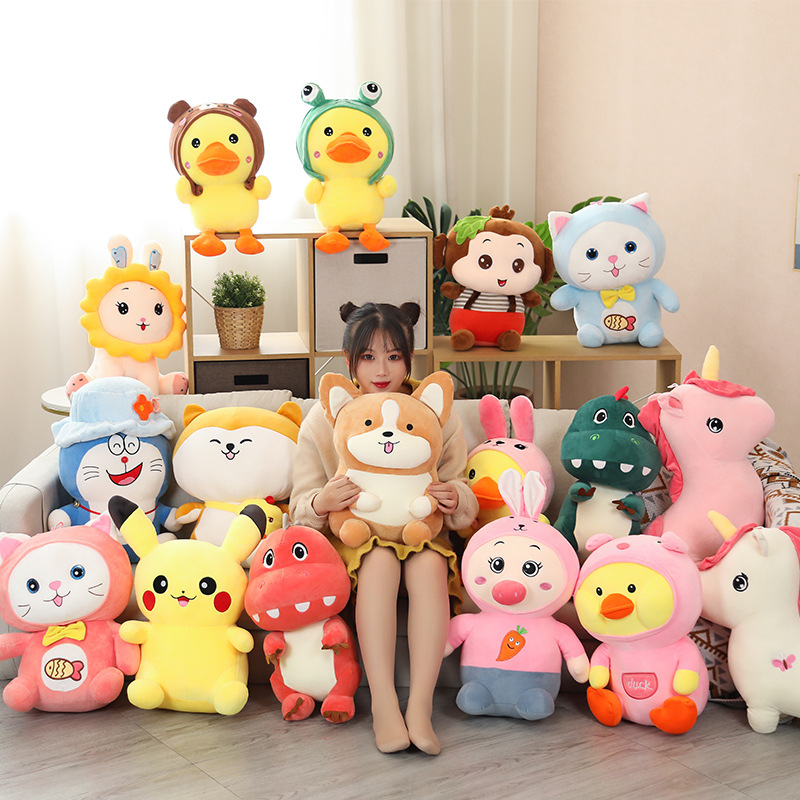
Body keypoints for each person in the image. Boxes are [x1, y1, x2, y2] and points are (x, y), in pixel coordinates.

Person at [290, 301, 477, 755]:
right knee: (377, 563)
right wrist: (322, 502)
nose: (381, 370)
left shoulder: (434, 411)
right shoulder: (325, 416)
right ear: (349, 359)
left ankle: (421, 708)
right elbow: (300, 505)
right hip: (357, 534)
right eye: (368, 357)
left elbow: (461, 485)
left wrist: (456, 499)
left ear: (409, 359)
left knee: (429, 566)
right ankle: (385, 706)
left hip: (420, 530)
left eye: (394, 356)